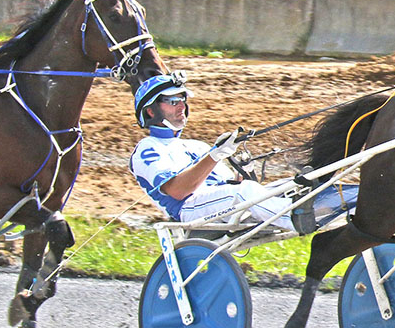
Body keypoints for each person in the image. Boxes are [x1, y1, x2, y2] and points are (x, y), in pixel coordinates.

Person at [129, 72, 353, 231]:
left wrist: (246, 170)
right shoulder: (147, 149)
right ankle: (294, 218)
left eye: (183, 99)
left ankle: (354, 203)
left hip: (223, 201)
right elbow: (178, 191)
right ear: (150, 111)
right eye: (173, 101)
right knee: (243, 192)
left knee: (292, 184)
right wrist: (216, 155)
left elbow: (236, 185)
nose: (182, 106)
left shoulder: (197, 145)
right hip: (189, 209)